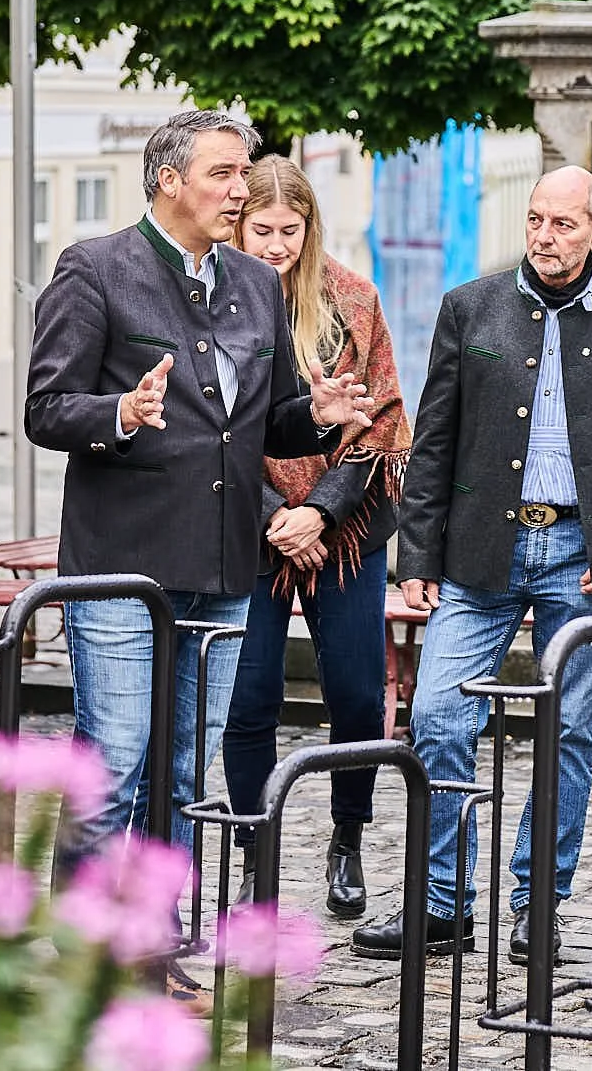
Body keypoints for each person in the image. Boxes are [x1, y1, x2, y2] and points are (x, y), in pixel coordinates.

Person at [25, 110, 372, 948]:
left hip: (222, 569)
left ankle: (158, 944)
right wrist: (119, 412)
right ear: (168, 180)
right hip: (122, 568)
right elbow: (45, 407)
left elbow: (269, 421)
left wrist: (317, 416)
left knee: (183, 771)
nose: (240, 189)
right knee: (114, 765)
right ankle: (79, 953)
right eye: (223, 173)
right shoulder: (95, 269)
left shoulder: (253, 280)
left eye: (243, 172)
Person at [356, 166, 592, 962]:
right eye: (535, 219)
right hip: (477, 551)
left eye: (562, 223)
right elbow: (432, 440)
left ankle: (539, 906)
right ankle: (442, 903)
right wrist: (415, 552)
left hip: (580, 556)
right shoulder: (470, 306)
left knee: (566, 730)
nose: (544, 235)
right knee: (438, 716)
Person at [221, 156, 412, 919]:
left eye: (289, 231)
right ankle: (253, 850)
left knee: (358, 695)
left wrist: (323, 512)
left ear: (310, 228)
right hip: (247, 523)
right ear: (237, 227)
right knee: (249, 697)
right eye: (260, 230)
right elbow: (213, 429)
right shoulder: (217, 303)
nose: (275, 246)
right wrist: (275, 511)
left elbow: (381, 417)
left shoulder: (352, 298)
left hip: (346, 526)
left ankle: (347, 838)